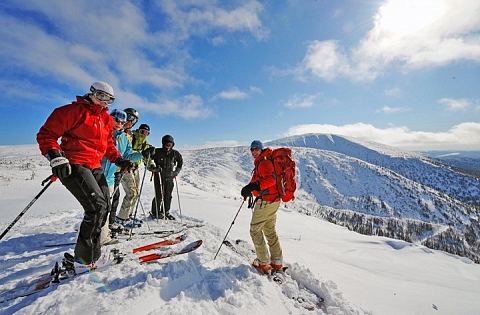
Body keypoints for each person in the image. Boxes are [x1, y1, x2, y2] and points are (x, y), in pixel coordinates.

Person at [36, 81, 134, 269]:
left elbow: (108, 146)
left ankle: (93, 253)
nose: (104, 102)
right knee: (96, 207)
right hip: (74, 164)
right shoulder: (71, 112)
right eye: (101, 96)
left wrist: (118, 160)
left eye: (109, 99)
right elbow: (46, 135)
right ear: (91, 93)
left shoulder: (105, 119)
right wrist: (56, 158)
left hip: (94, 165)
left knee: (104, 205)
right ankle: (84, 261)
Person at [99, 109, 154, 245]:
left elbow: (128, 155)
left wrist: (143, 154)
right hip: (96, 175)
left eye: (123, 121)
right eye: (116, 119)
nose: (120, 123)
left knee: (105, 208)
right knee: (97, 209)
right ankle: (91, 240)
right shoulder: (102, 131)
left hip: (110, 177)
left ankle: (103, 237)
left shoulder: (123, 137)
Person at [241, 140, 283, 274]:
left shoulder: (264, 162)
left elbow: (270, 180)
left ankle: (263, 262)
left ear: (261, 149)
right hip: (274, 201)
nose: (254, 152)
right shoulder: (264, 160)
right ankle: (277, 262)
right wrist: (250, 189)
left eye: (256, 149)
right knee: (269, 230)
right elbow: (260, 180)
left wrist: (252, 187)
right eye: (252, 149)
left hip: (266, 201)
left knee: (255, 230)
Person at [116, 122, 154, 225]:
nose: (144, 134)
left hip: (135, 169)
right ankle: (121, 218)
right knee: (131, 193)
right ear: (138, 130)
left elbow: (146, 155)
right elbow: (126, 151)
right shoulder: (131, 136)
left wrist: (150, 165)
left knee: (136, 193)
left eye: (147, 133)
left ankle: (128, 216)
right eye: (142, 131)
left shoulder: (144, 142)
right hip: (126, 167)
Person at [149, 135, 183, 220]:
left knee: (168, 196)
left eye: (170, 144)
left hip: (170, 177)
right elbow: (148, 160)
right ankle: (155, 213)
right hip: (159, 177)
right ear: (163, 143)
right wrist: (153, 168)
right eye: (167, 143)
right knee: (159, 195)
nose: (168, 145)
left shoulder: (175, 153)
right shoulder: (157, 152)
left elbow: (180, 162)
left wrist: (176, 171)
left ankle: (165, 212)